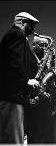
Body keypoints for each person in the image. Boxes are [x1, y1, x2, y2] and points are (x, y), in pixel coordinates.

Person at [0, 12, 39, 143]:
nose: (33, 29)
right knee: (13, 140)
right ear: (22, 22)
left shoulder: (16, 36)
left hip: (13, 97)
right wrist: (27, 81)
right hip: (12, 98)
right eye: (31, 25)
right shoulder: (17, 34)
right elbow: (14, 62)